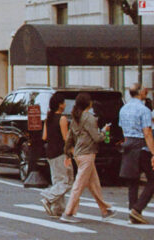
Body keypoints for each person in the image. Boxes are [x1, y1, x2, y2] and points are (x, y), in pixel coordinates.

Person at [60, 92, 114, 223]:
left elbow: (70, 138)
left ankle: (105, 210)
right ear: (88, 104)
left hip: (78, 153)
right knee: (79, 185)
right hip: (88, 154)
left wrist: (67, 152)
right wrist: (105, 130)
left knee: (94, 184)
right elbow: (96, 137)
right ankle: (68, 212)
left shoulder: (75, 117)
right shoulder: (89, 118)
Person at [118, 84, 154, 224]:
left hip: (128, 144)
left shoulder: (123, 109)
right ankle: (137, 209)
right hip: (141, 146)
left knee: (132, 180)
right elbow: (147, 133)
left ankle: (132, 210)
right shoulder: (144, 110)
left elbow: (123, 131)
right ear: (139, 93)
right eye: (144, 90)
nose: (146, 91)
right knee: (152, 179)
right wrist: (153, 153)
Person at [39, 92, 73, 217]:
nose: (65, 104)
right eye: (63, 102)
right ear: (60, 105)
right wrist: (72, 152)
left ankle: (57, 209)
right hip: (60, 153)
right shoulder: (62, 119)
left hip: (50, 153)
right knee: (67, 181)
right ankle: (48, 197)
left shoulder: (48, 118)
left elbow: (44, 136)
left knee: (58, 180)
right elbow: (66, 138)